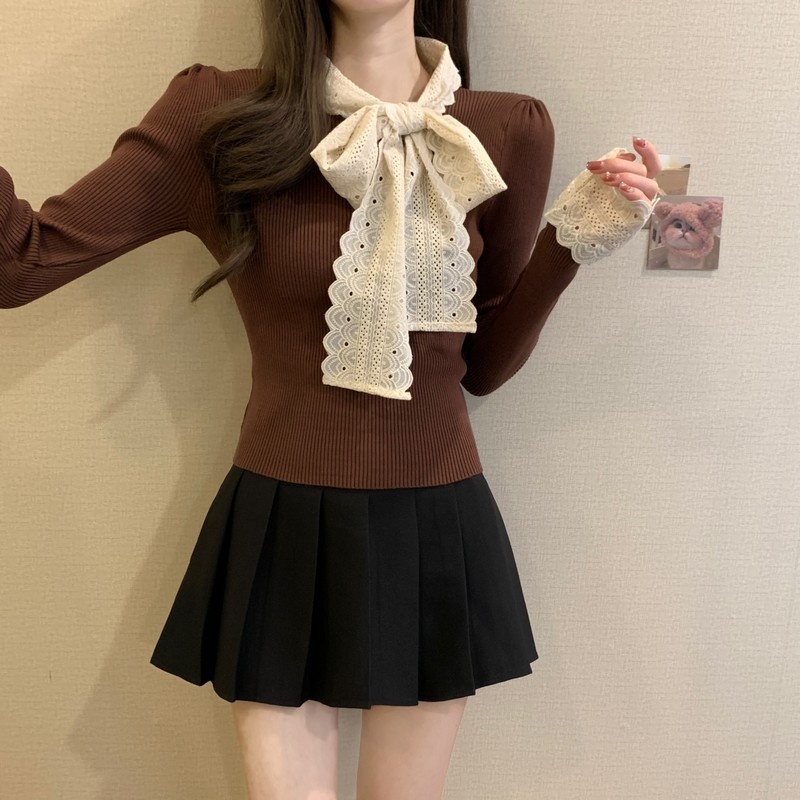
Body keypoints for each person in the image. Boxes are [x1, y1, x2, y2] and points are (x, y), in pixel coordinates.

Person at [1, 0, 662, 797]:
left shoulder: (505, 128)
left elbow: (479, 366)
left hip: (438, 523)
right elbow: (19, 264)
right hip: (280, 522)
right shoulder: (216, 116)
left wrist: (570, 243)